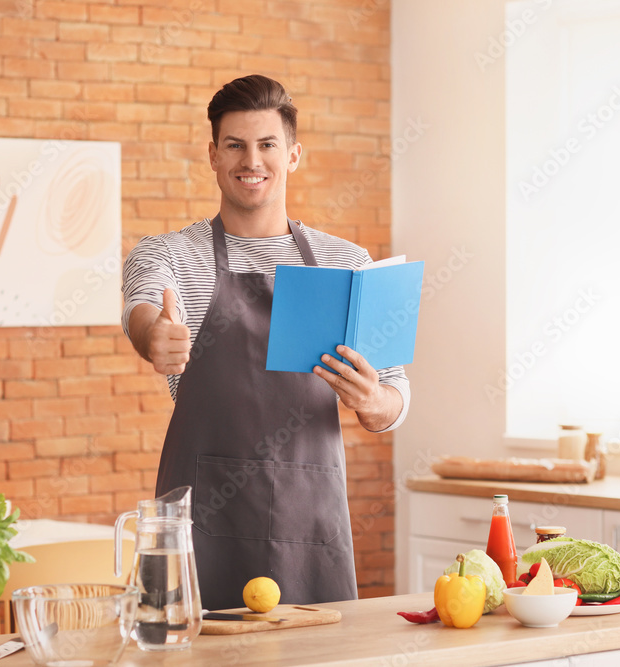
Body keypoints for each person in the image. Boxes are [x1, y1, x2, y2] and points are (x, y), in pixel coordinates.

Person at [121, 74, 411, 610]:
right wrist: (153, 336)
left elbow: (393, 399)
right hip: (200, 522)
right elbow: (144, 311)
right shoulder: (171, 255)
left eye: (266, 144)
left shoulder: (348, 265)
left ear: (293, 154)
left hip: (310, 522)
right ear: (212, 154)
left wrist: (373, 401)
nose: (250, 159)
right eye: (234, 145)